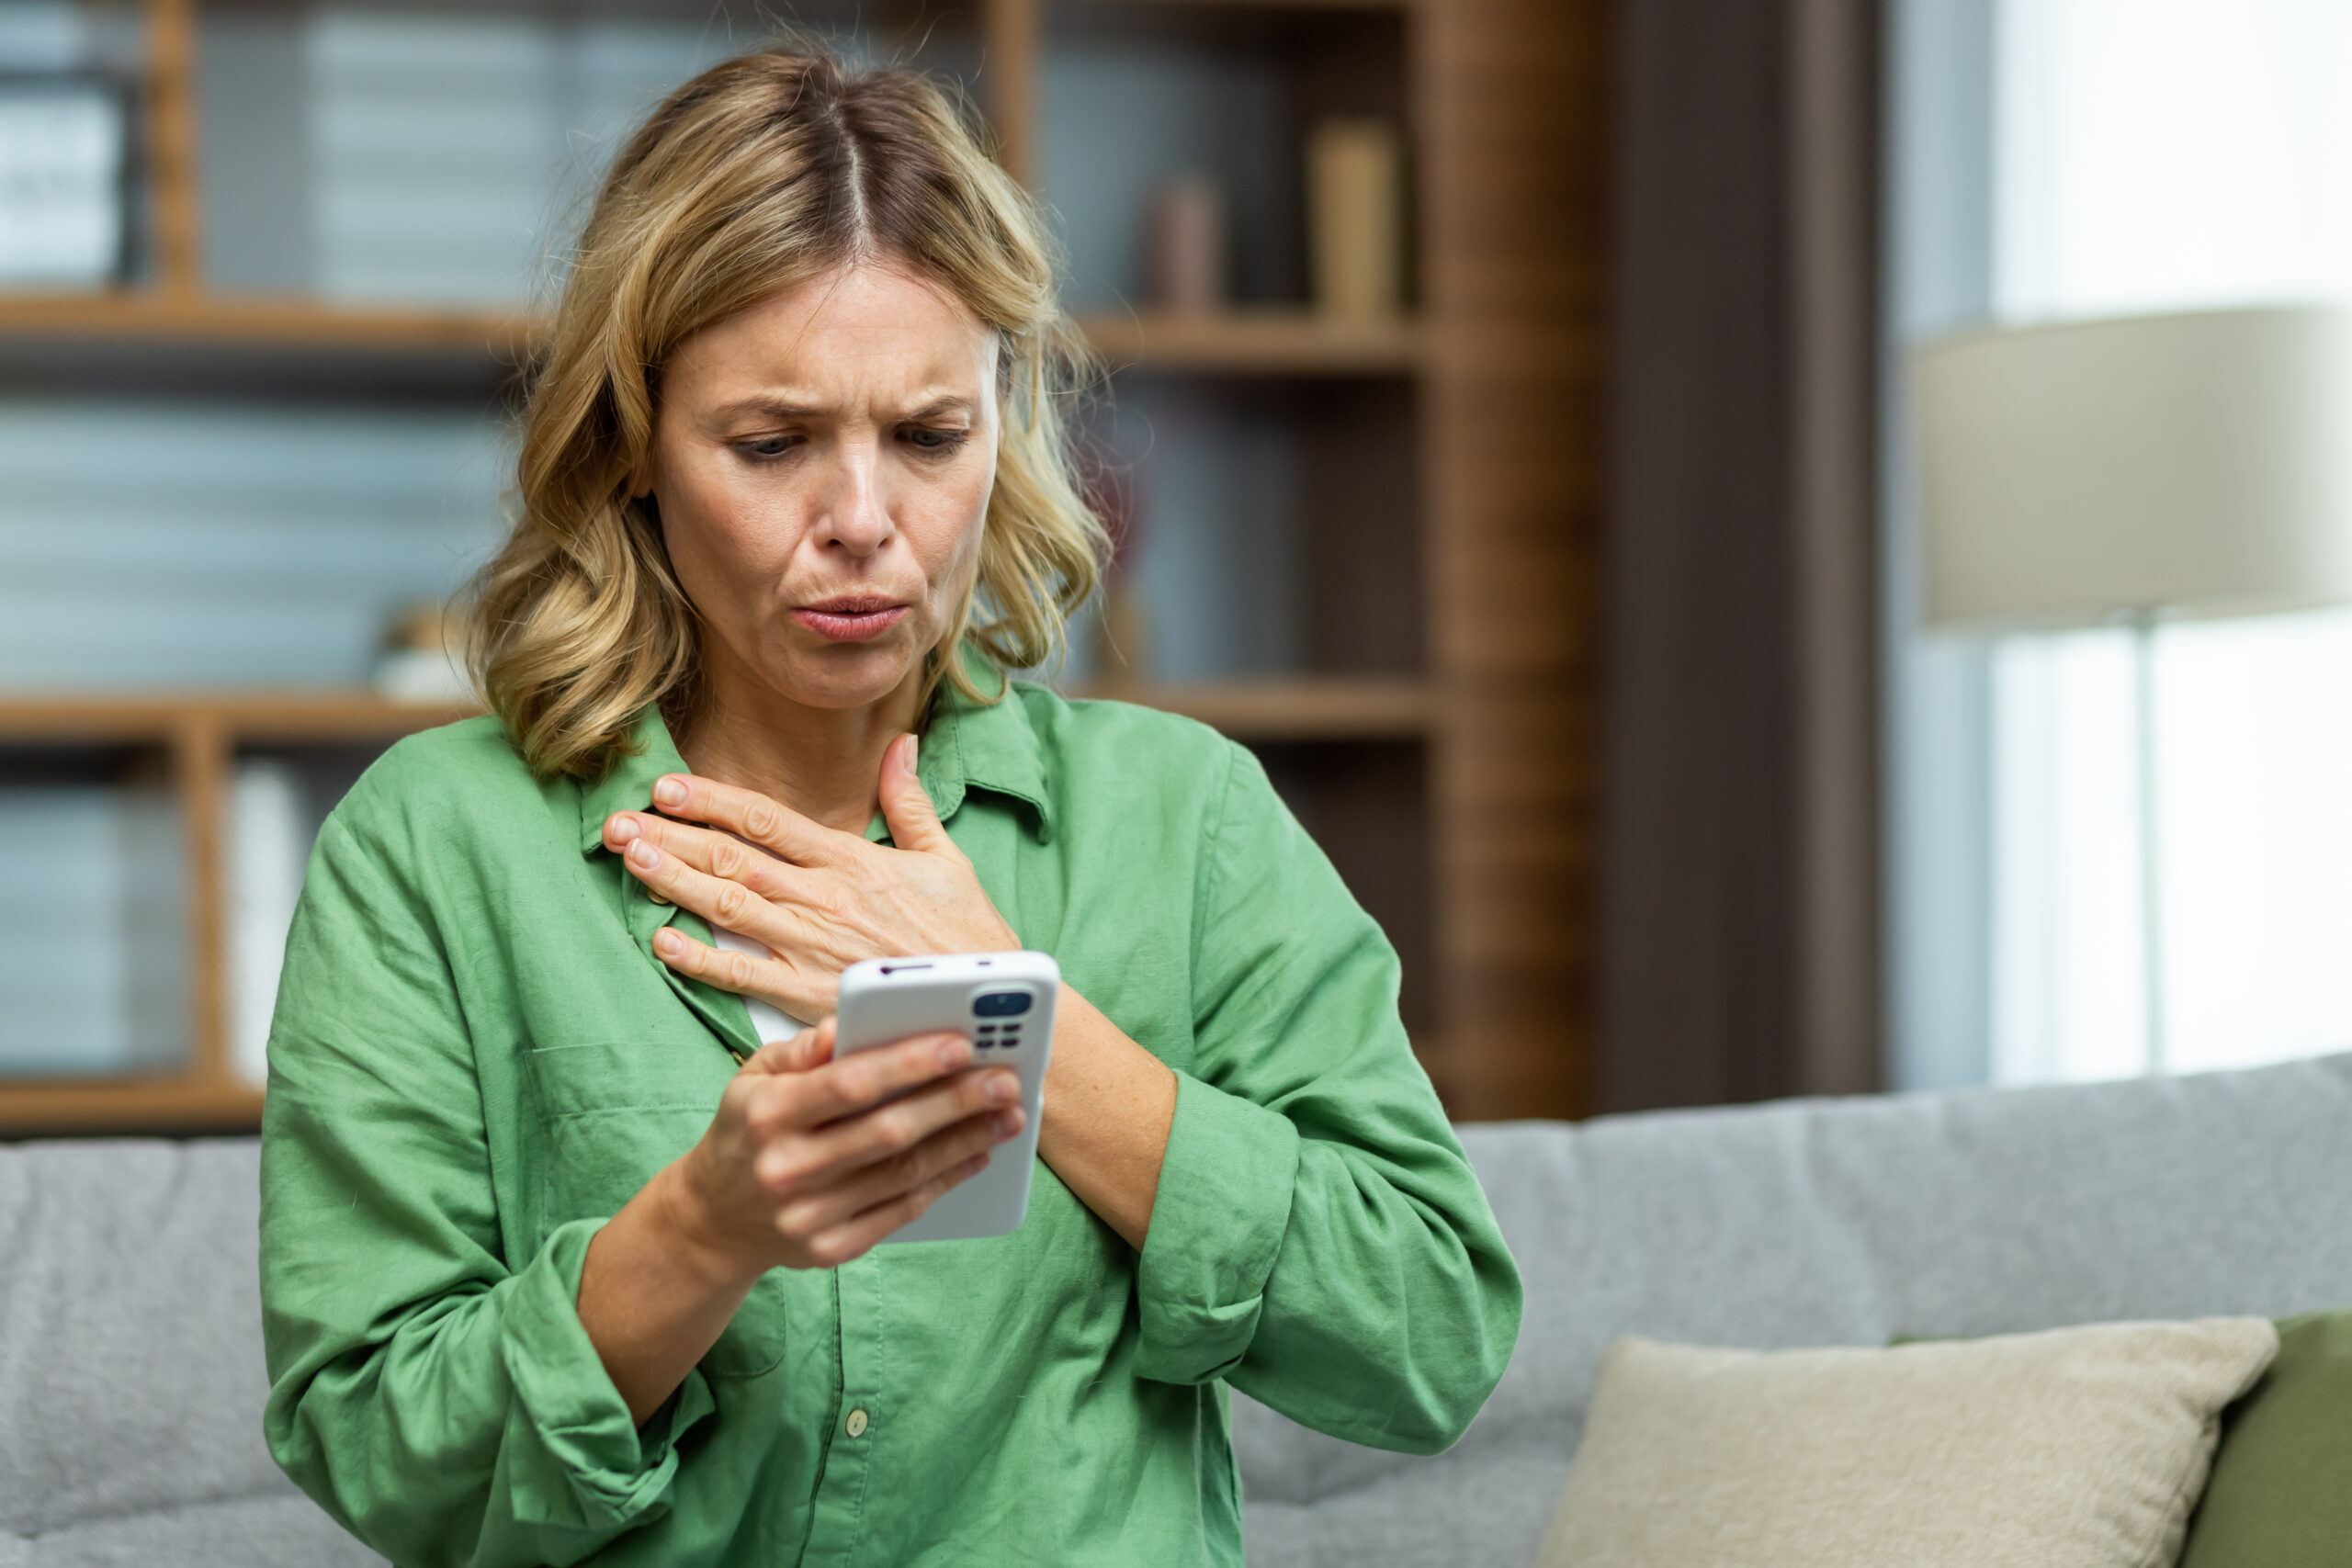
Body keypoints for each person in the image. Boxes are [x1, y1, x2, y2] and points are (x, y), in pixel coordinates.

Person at [259, 45, 1521, 1568]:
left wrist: (1022, 1026)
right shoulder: (436, 847)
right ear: (636, 446)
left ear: (1004, 428)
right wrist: (700, 1232)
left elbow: (1431, 1337)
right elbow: (376, 1447)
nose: (863, 524)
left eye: (930, 437)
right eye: (772, 444)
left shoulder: (1185, 819)